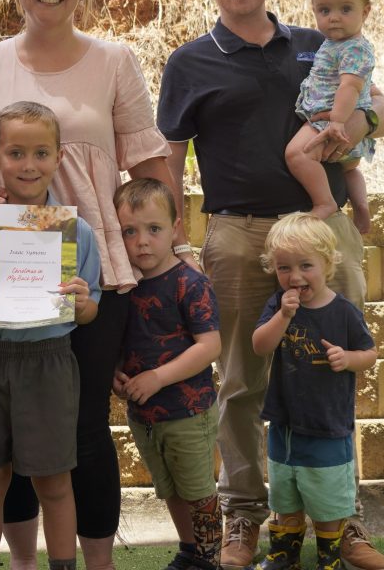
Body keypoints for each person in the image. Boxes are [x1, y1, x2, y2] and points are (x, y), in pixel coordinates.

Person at [0, 0, 188, 570]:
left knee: (80, 427)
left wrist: (167, 247)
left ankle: (96, 563)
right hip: (8, 273)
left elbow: (150, 164)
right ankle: (23, 562)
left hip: (95, 274)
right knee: (15, 429)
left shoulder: (114, 60)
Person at [157, 0, 384, 570]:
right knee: (240, 380)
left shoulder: (322, 42)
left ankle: (340, 520)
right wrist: (172, 237)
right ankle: (243, 517)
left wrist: (352, 130)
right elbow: (169, 159)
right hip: (236, 234)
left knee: (333, 369)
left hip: (322, 232)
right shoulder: (189, 62)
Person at [0, 101, 101, 570]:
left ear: (59, 158)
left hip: (50, 361)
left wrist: (81, 302)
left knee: (54, 481)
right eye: (16, 154)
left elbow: (91, 309)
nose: (29, 165)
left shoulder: (77, 232)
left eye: (40, 153)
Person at [252, 214, 384, 570]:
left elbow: (370, 355)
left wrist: (348, 358)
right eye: (284, 268)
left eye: (305, 266)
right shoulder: (277, 305)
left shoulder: (343, 311)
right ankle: (284, 556)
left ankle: (329, 558)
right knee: (284, 495)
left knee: (328, 501)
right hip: (284, 425)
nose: (295, 277)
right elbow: (259, 346)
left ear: (328, 264)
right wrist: (281, 316)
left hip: (328, 425)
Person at [111, 178, 222, 570]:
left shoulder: (190, 283)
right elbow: (125, 341)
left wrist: (158, 377)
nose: (142, 241)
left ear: (174, 229)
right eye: (130, 231)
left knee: (197, 490)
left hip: (188, 413)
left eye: (154, 229)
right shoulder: (125, 285)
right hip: (145, 416)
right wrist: (117, 371)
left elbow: (209, 346)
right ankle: (189, 549)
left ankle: (210, 558)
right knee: (170, 488)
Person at [286, 0, 376, 230]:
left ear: (365, 12)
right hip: (338, 121)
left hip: (330, 120)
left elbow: (350, 86)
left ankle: (323, 202)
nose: (334, 18)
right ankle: (361, 206)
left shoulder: (355, 48)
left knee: (297, 155)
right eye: (324, 11)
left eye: (345, 9)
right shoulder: (336, 43)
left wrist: (338, 122)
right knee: (349, 170)